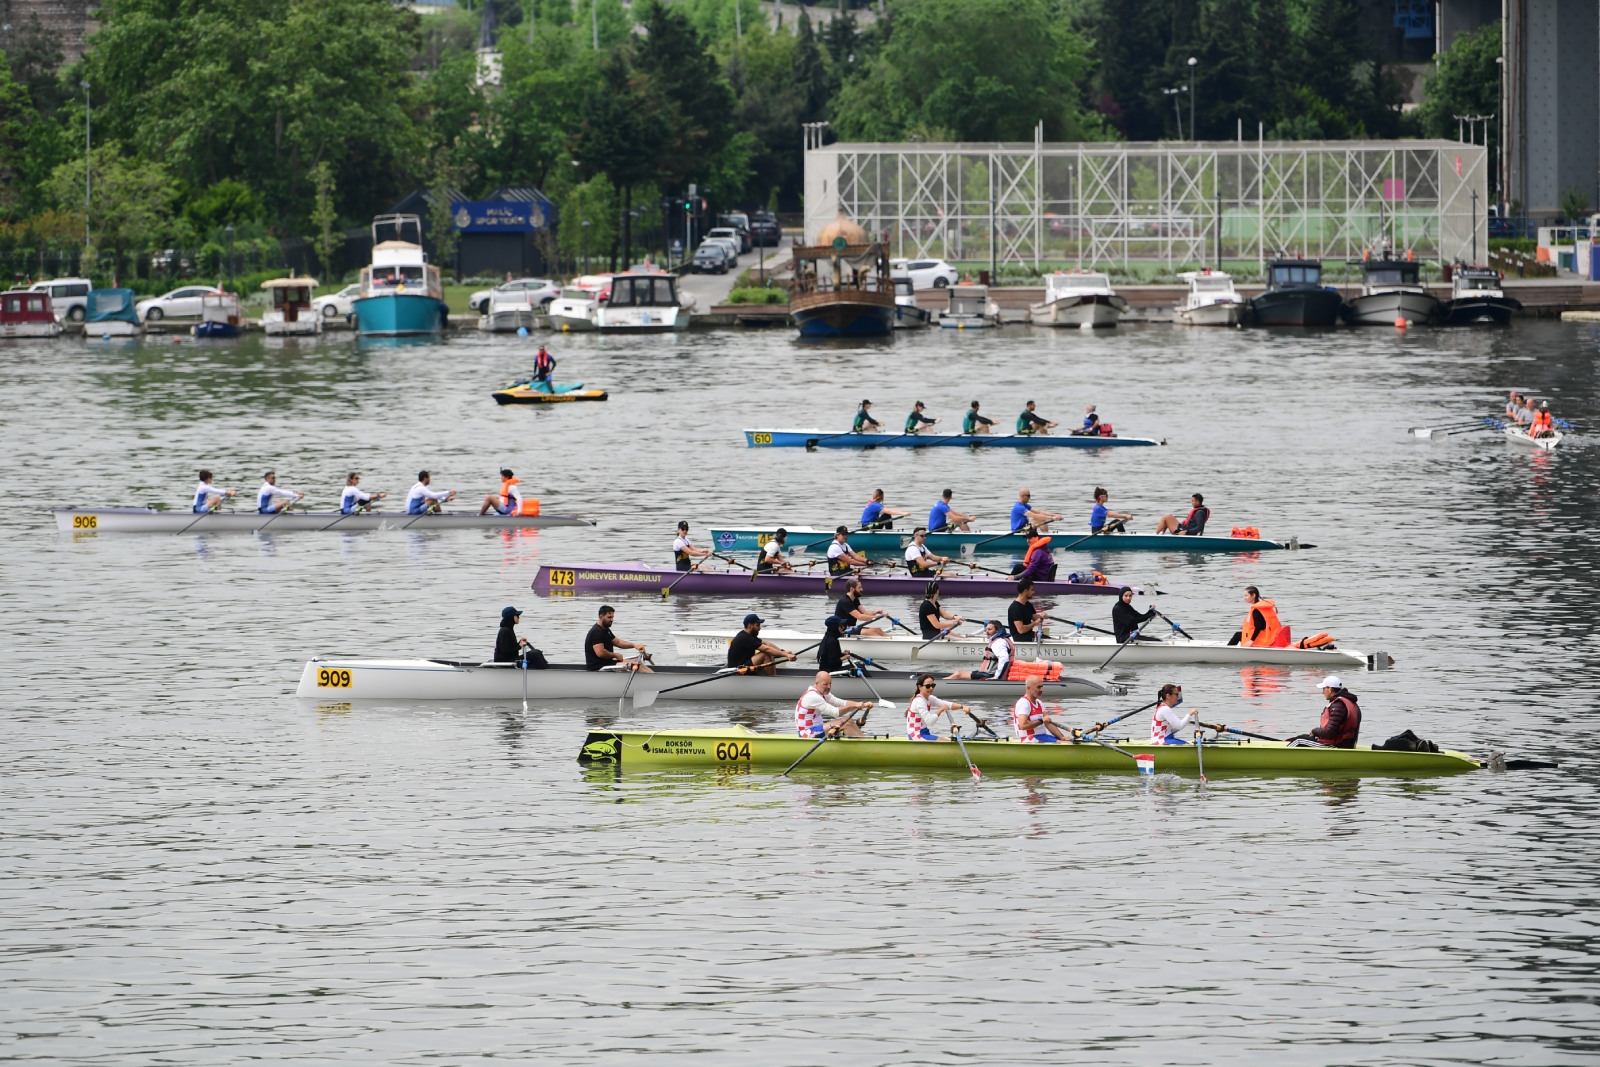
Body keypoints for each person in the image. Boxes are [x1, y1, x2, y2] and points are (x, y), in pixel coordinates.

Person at [1288, 676, 1362, 748]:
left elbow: (1330, 732)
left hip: (1337, 745)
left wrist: (1314, 731)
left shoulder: (1338, 706)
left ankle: (1282, 756)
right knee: (1302, 737)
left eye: (1324, 688)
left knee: (1299, 741)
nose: (1322, 692)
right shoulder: (1346, 702)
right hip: (1342, 743)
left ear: (1330, 689)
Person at [795, 670, 870, 738]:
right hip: (807, 733)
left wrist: (861, 704)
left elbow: (841, 703)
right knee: (845, 723)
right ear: (817, 684)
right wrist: (855, 706)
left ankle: (863, 740)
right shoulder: (812, 696)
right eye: (826, 684)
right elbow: (835, 712)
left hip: (818, 728)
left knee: (849, 720)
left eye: (830, 683)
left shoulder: (822, 693)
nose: (829, 687)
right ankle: (860, 747)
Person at [583, 604, 651, 672]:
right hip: (598, 667)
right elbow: (600, 653)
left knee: (638, 662)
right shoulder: (596, 632)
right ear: (601, 617)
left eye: (612, 617)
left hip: (608, 663)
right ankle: (653, 680)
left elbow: (618, 642)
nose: (612, 620)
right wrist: (615, 655)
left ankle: (654, 678)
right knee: (636, 666)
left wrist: (634, 645)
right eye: (609, 617)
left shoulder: (606, 630)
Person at [907, 674, 975, 741]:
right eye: (928, 686)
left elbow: (947, 704)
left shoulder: (929, 698)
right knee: (946, 742)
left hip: (923, 732)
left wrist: (962, 706)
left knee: (948, 740)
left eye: (933, 685)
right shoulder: (919, 701)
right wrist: (940, 709)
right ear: (920, 687)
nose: (931, 688)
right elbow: (930, 721)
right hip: (916, 734)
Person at [729, 613, 794, 676]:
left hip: (745, 667)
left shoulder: (749, 635)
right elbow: (766, 649)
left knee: (769, 653)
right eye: (757, 625)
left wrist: (783, 651)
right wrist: (786, 655)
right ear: (750, 626)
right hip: (737, 671)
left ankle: (772, 677)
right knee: (765, 654)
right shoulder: (744, 638)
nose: (759, 628)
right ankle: (773, 681)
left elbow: (766, 643)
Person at [947, 620, 1012, 680]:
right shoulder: (1002, 639)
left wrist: (996, 677)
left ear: (997, 630)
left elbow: (1004, 659)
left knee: (958, 674)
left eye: (990, 629)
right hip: (987, 673)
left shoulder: (998, 642)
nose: (987, 631)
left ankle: (938, 686)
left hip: (989, 675)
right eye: (986, 629)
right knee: (958, 673)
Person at [1013, 674, 1068, 742]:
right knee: (1061, 743)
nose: (1041, 690)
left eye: (1042, 687)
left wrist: (1062, 737)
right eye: (1038, 687)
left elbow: (1048, 723)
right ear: (1029, 688)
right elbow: (1023, 725)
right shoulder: (1024, 703)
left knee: (1065, 741)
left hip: (1041, 737)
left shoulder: (1039, 702)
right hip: (1028, 739)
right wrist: (1041, 721)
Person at [1007, 578, 1043, 643]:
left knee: (1050, 638)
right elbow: (1021, 630)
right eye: (1032, 590)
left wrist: (1042, 617)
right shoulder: (1015, 608)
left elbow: (1036, 619)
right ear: (1026, 591)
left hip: (1029, 635)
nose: (1033, 592)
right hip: (1020, 639)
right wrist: (1035, 623)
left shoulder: (1028, 604)